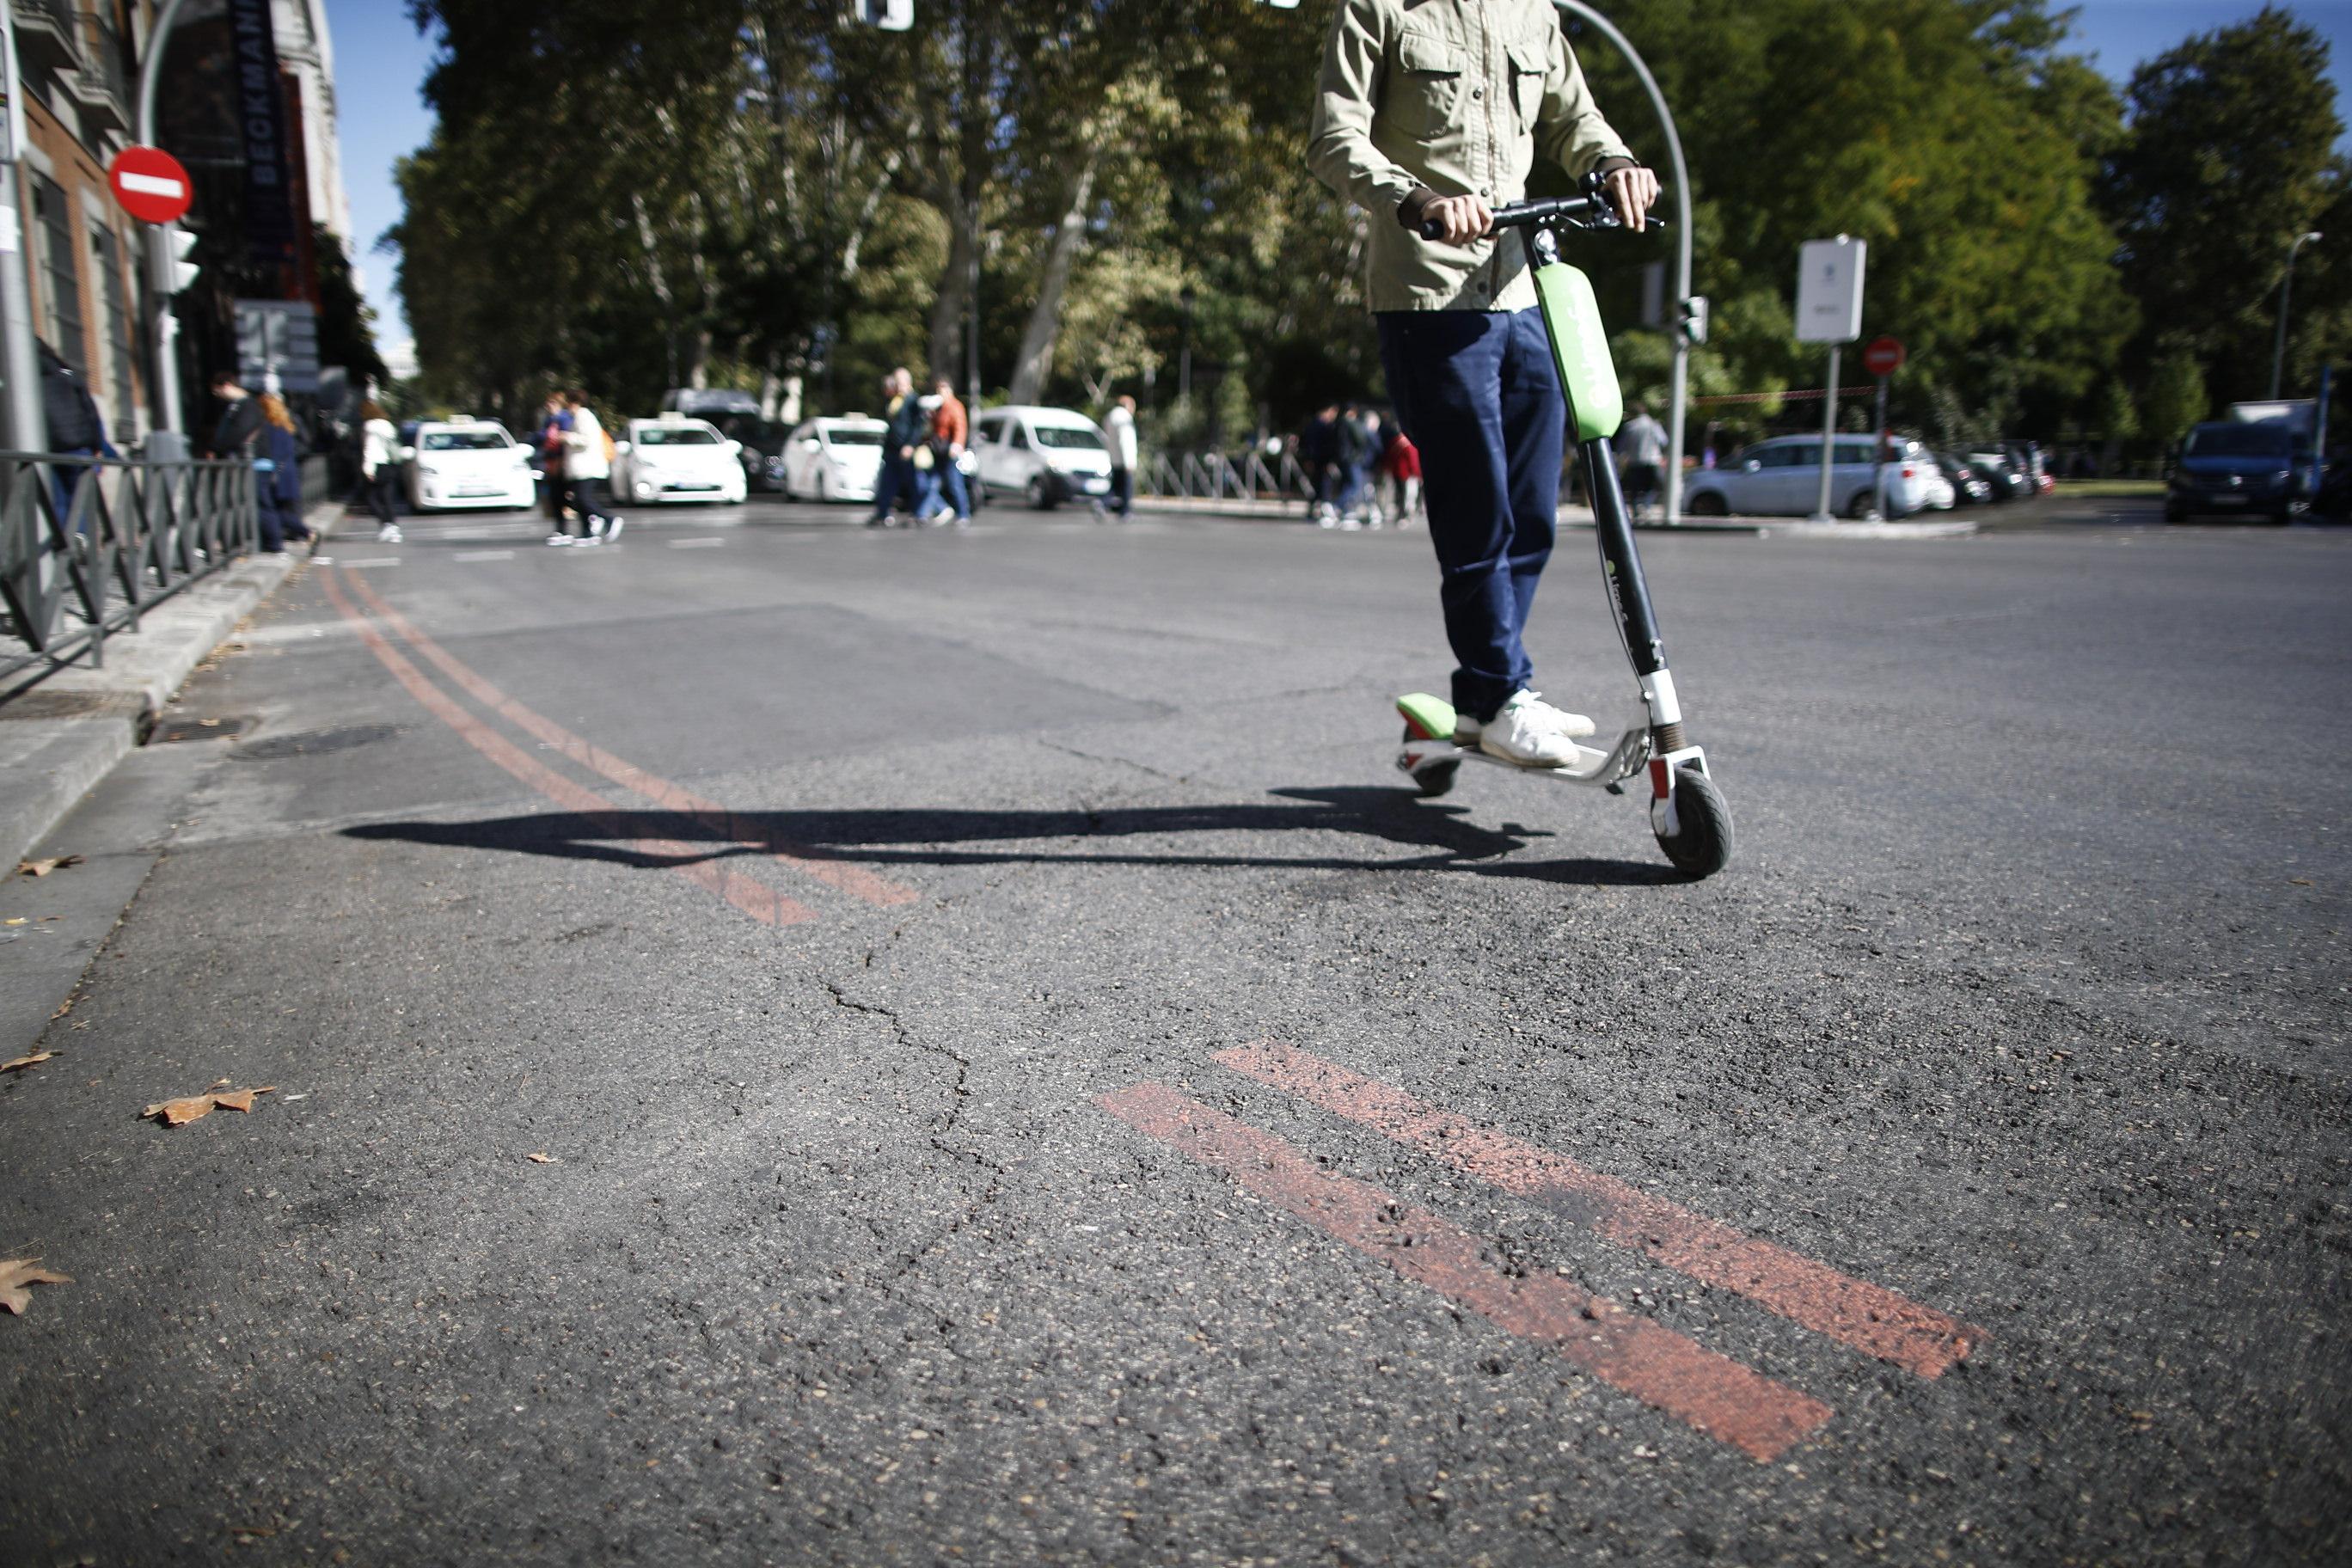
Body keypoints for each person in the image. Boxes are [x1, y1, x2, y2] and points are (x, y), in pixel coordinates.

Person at [1309, 0, 1658, 764]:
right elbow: (1334, 139)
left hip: (1524, 294)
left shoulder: (1533, 12)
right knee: (1478, 515)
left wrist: (1616, 163)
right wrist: (1417, 199)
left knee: (1533, 513)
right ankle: (1502, 693)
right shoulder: (1379, 8)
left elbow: (1574, 120)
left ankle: (1485, 696)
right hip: (1429, 297)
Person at [38, 341, 113, 531]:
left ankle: (63, 544)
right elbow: (91, 414)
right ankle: (80, 540)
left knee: (59, 501)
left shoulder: (28, 379)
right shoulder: (67, 375)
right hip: (79, 446)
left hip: (50, 449)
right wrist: (98, 447)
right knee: (80, 500)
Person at [558, 389, 621, 544]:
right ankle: (587, 532)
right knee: (578, 501)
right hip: (581, 468)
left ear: (573, 402)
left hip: (588, 467)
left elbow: (586, 439)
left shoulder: (583, 416)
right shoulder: (578, 417)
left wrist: (566, 437)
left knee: (583, 499)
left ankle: (608, 519)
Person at [254, 393, 311, 553]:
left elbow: (276, 453)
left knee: (273, 509)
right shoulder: (286, 426)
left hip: (278, 474)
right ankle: (303, 533)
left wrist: (274, 473)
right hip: (287, 474)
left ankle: (304, 532)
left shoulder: (271, 427)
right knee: (279, 509)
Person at [868, 369, 923, 527]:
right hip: (892, 449)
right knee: (887, 483)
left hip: (905, 448)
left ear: (908, 382)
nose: (898, 385)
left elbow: (918, 426)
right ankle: (882, 513)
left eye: (900, 382)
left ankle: (917, 514)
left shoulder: (913, 400)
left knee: (911, 483)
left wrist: (910, 445)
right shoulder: (895, 399)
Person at [927, 375, 972, 527]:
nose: (940, 393)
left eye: (942, 389)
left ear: (949, 390)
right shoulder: (939, 407)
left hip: (950, 449)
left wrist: (957, 444)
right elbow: (935, 428)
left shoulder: (955, 406)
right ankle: (942, 508)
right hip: (939, 450)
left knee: (955, 483)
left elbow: (960, 427)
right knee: (932, 483)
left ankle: (963, 514)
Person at [358, 401, 401, 543]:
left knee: (371, 498)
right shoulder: (387, 426)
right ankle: (393, 528)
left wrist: (368, 469)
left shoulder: (369, 428)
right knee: (388, 498)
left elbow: (369, 450)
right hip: (389, 464)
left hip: (376, 465)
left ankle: (386, 523)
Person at [1619, 401, 1667, 520]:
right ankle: (1647, 506)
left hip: (1635, 461)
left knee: (1635, 488)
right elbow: (1663, 441)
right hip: (1652, 460)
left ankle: (1635, 510)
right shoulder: (1654, 425)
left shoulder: (1629, 426)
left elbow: (1622, 446)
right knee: (1651, 487)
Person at [535, 392, 573, 530]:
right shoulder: (549, 420)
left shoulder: (564, 418)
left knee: (567, 496)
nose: (548, 406)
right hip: (551, 462)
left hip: (561, 462)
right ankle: (561, 529)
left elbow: (564, 439)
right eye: (548, 403)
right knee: (555, 497)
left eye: (552, 403)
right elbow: (540, 438)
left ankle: (590, 518)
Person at [1101, 394, 1138, 519]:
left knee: (1116, 486)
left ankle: (1102, 503)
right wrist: (1129, 462)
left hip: (1114, 458)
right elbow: (1126, 441)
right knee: (1126, 486)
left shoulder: (1110, 416)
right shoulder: (1124, 418)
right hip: (1124, 460)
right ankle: (1125, 511)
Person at [1381, 422, 1423, 526]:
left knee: (1400, 494)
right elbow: (1413, 460)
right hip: (1408, 473)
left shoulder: (1395, 441)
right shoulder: (1409, 443)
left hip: (1397, 471)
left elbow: (1390, 456)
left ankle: (1401, 514)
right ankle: (1405, 515)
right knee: (1408, 496)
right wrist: (1416, 473)